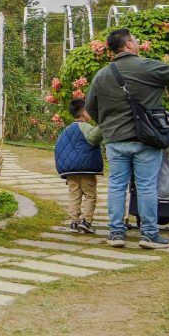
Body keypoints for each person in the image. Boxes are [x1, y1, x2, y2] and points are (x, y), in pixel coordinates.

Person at [85, 28, 169, 249]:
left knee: (117, 185)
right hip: (146, 139)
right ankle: (149, 235)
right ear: (128, 44)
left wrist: (108, 125)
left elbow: (90, 106)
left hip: (115, 141)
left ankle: (116, 233)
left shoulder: (102, 75)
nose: (136, 43)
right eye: (134, 40)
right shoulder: (146, 66)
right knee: (146, 186)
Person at [54, 98, 102, 234]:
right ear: (85, 113)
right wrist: (104, 125)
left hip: (70, 171)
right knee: (90, 195)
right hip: (86, 169)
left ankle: (74, 222)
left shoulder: (66, 130)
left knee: (74, 195)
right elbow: (94, 138)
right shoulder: (86, 127)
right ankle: (86, 221)